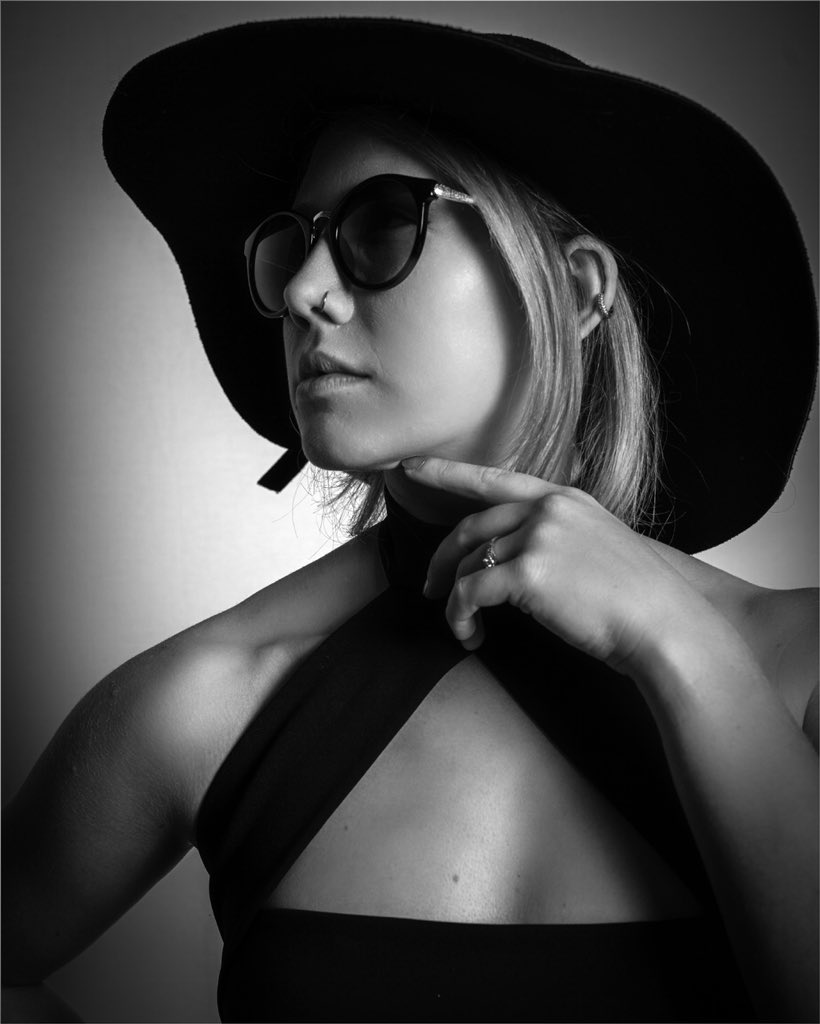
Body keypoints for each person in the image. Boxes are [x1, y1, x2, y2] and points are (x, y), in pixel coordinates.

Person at [3, 16, 817, 1023]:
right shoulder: (210, 699)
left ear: (576, 290)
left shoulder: (802, 671)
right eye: (289, 242)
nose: (301, 292)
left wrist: (679, 644)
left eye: (382, 223)